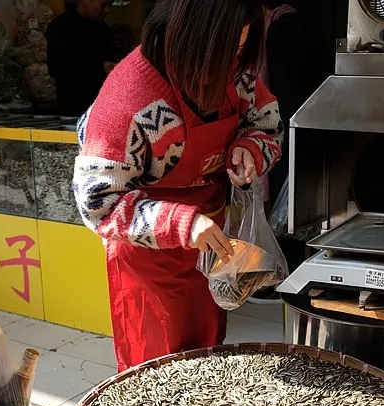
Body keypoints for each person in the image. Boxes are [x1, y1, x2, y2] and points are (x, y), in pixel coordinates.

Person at [73, 0, 284, 372]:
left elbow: (267, 125)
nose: (232, 64)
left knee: (207, 351)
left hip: (213, 245)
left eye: (238, 51)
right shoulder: (130, 96)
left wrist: (250, 149)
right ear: (191, 38)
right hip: (149, 260)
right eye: (223, 52)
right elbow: (98, 202)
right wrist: (182, 224)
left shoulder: (236, 74)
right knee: (157, 368)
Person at [249, 0, 329, 303]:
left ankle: (283, 281)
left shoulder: (280, 30)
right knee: (303, 212)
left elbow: (284, 93)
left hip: (288, 130)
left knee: (287, 216)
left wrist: (272, 136)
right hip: (311, 128)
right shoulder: (299, 22)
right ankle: (296, 279)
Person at [47, 0, 116, 117]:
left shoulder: (104, 29)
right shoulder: (61, 27)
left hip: (102, 106)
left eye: (110, 5)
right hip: (72, 107)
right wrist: (99, 69)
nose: (107, 10)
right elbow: (57, 68)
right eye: (103, 4)